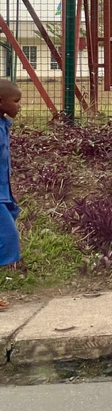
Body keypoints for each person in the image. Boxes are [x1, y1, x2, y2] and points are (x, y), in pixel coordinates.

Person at [0, 80, 22, 311]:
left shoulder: (3, 125)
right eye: (15, 101)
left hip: (4, 193)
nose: (19, 106)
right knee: (7, 237)